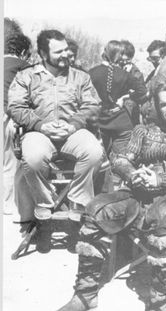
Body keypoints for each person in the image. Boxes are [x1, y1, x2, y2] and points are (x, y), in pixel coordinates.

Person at [57, 82, 166, 311]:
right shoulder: (145, 130)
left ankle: (158, 302)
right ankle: (85, 294)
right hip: (139, 192)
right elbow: (120, 159)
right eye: (163, 104)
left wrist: (161, 180)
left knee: (164, 218)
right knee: (96, 209)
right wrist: (132, 172)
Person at [7, 29, 103, 224]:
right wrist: (40, 125)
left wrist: (74, 124)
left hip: (73, 132)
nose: (66, 55)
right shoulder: (27, 76)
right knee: (32, 158)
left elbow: (93, 104)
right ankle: (44, 201)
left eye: (66, 50)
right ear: (43, 54)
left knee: (94, 152)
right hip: (38, 133)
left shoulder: (80, 77)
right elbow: (15, 106)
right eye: (58, 52)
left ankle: (78, 200)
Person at [89, 40, 147, 157]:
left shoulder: (92, 73)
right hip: (121, 122)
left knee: (100, 159)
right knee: (122, 158)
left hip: (99, 120)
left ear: (104, 54)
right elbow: (143, 91)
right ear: (119, 56)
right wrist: (125, 97)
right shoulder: (124, 74)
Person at [4, 23, 32, 215]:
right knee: (10, 163)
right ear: (22, 51)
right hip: (7, 116)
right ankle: (6, 204)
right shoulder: (22, 66)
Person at [119, 39, 146, 125]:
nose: (123, 63)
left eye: (126, 60)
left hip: (130, 106)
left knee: (129, 104)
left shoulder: (136, 73)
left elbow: (142, 93)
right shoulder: (116, 67)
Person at [141, 40, 166, 124]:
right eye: (150, 59)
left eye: (155, 58)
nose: (153, 62)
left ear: (165, 56)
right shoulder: (152, 74)